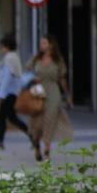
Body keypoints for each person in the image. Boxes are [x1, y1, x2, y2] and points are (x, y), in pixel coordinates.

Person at [28, 35, 73, 163]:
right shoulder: (36, 59)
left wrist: (68, 96)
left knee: (49, 120)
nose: (41, 45)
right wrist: (32, 78)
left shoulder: (57, 60)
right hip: (38, 93)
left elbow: (62, 79)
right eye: (41, 43)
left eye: (44, 43)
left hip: (53, 92)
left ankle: (47, 150)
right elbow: (26, 72)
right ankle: (37, 145)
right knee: (36, 123)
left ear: (50, 45)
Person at [0, 34, 37, 154]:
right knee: (9, 117)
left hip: (9, 93)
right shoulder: (12, 57)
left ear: (5, 46)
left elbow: (7, 77)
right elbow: (8, 75)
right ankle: (1, 141)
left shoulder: (10, 58)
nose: (0, 48)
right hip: (11, 92)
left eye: (1, 45)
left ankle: (1, 141)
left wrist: (0, 95)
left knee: (7, 117)